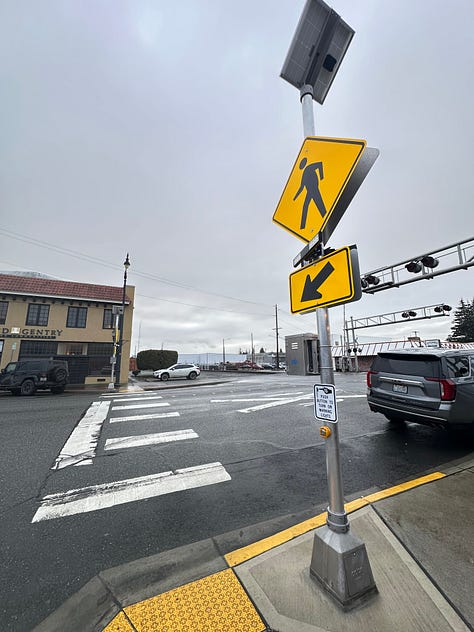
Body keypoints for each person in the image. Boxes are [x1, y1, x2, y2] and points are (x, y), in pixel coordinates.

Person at [293, 157, 327, 230]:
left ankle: (326, 221)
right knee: (305, 206)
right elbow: (301, 187)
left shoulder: (309, 167)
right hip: (309, 191)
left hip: (314, 189)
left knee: (319, 204)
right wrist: (295, 197)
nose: (301, 166)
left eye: (301, 164)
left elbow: (320, 164)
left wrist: (321, 177)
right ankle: (302, 227)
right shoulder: (303, 174)